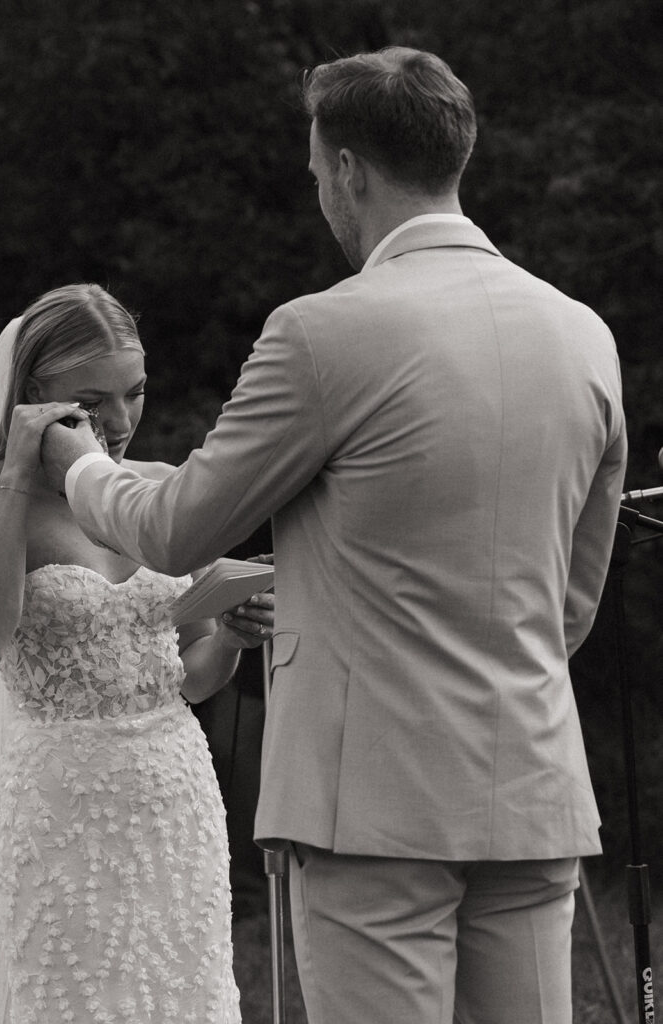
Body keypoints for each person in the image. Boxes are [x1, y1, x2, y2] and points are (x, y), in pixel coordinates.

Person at [42, 47, 627, 1024]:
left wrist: (76, 465)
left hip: (368, 813)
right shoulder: (583, 334)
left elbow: (178, 525)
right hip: (532, 791)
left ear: (349, 168)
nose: (319, 188)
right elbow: (571, 608)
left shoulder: (324, 334)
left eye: (317, 169)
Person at [0, 283, 274, 1024]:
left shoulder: (157, 489)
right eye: (91, 401)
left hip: (176, 797)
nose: (118, 423)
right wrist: (20, 473)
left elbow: (193, 679)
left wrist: (234, 637)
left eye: (134, 394)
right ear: (32, 397)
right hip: (60, 805)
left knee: (184, 994)